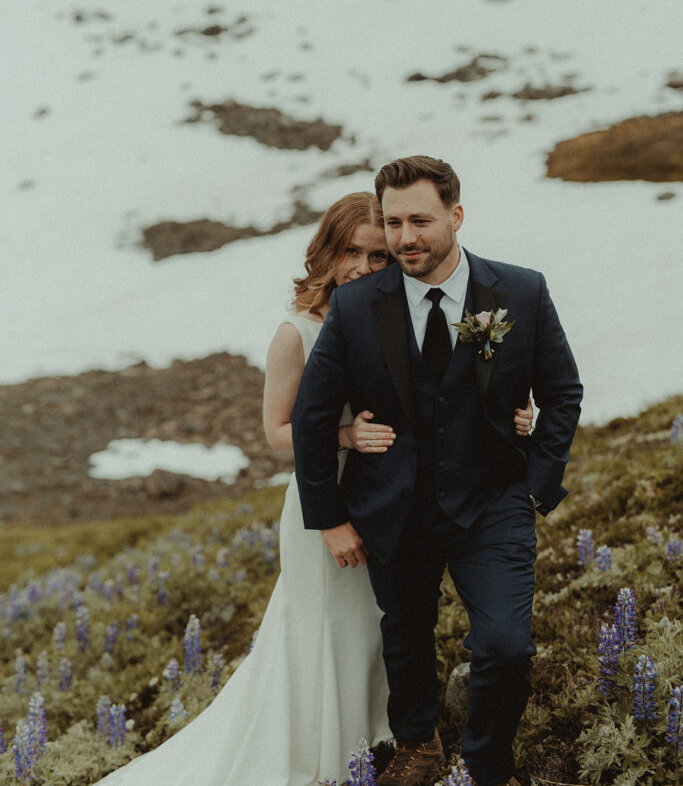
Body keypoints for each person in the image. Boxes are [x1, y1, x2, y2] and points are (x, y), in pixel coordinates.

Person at [92, 190, 534, 786]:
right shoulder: (296, 330)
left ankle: (384, 733)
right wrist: (345, 437)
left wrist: (511, 415)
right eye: (352, 251)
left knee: (381, 623)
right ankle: (320, 750)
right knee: (323, 625)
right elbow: (278, 432)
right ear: (328, 251)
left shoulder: (405, 311)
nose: (363, 267)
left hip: (398, 497)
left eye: (379, 257)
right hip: (328, 498)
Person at [292, 159, 582, 786]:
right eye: (392, 223)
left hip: (493, 502)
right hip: (392, 503)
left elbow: (563, 391)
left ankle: (486, 764)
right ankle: (418, 741)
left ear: (455, 215)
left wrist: (537, 483)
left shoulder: (522, 291)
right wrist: (331, 519)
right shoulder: (355, 306)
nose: (404, 238)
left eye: (419, 220)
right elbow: (311, 418)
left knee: (505, 645)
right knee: (405, 636)